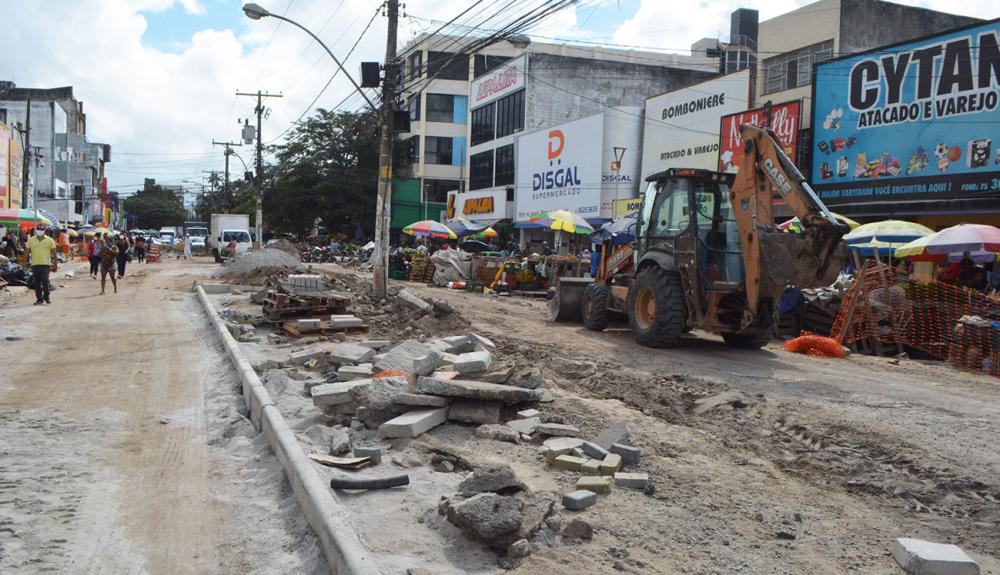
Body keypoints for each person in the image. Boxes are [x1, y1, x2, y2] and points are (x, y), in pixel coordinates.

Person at [26, 225, 58, 305]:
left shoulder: (50, 240)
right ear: (36, 230)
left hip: (46, 264)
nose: (40, 231)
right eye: (39, 229)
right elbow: (27, 251)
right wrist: (24, 262)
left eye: (41, 229)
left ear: (44, 231)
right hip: (35, 264)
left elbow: (54, 253)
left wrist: (55, 265)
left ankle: (46, 297)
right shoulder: (31, 240)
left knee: (45, 280)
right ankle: (39, 299)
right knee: (37, 283)